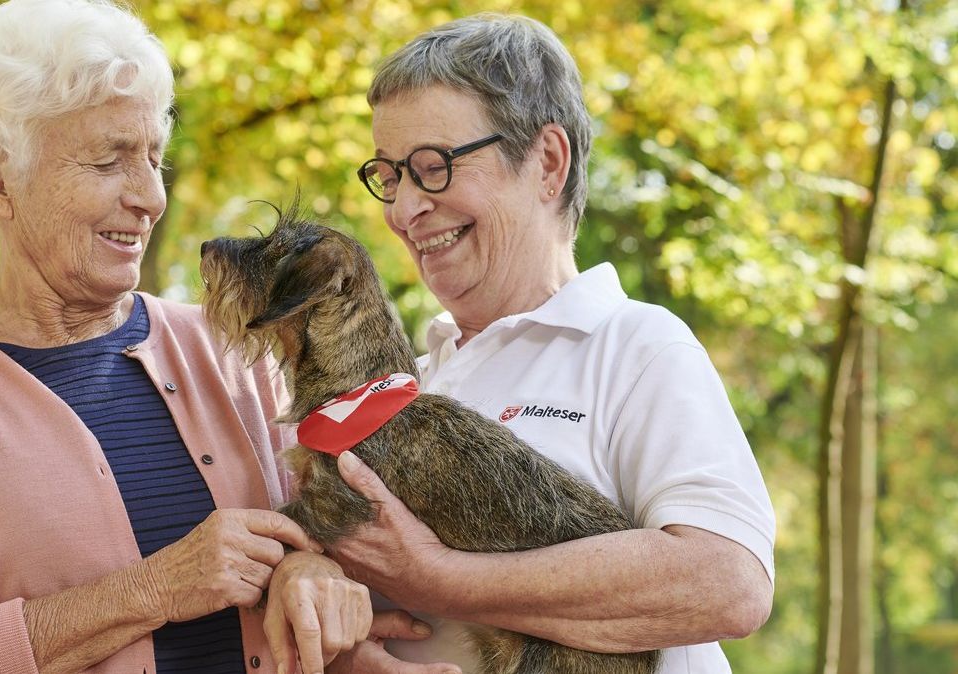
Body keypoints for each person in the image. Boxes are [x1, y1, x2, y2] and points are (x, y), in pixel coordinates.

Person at [0, 1, 398, 672]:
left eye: (154, 158)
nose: (151, 197)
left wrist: (313, 573)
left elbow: (331, 539)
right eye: (109, 162)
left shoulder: (232, 349)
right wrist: (153, 589)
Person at [327, 13, 777, 674]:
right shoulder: (402, 386)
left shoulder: (635, 348)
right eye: (391, 177)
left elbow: (727, 580)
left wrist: (444, 581)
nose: (402, 210)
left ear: (547, 162)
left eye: (434, 167)